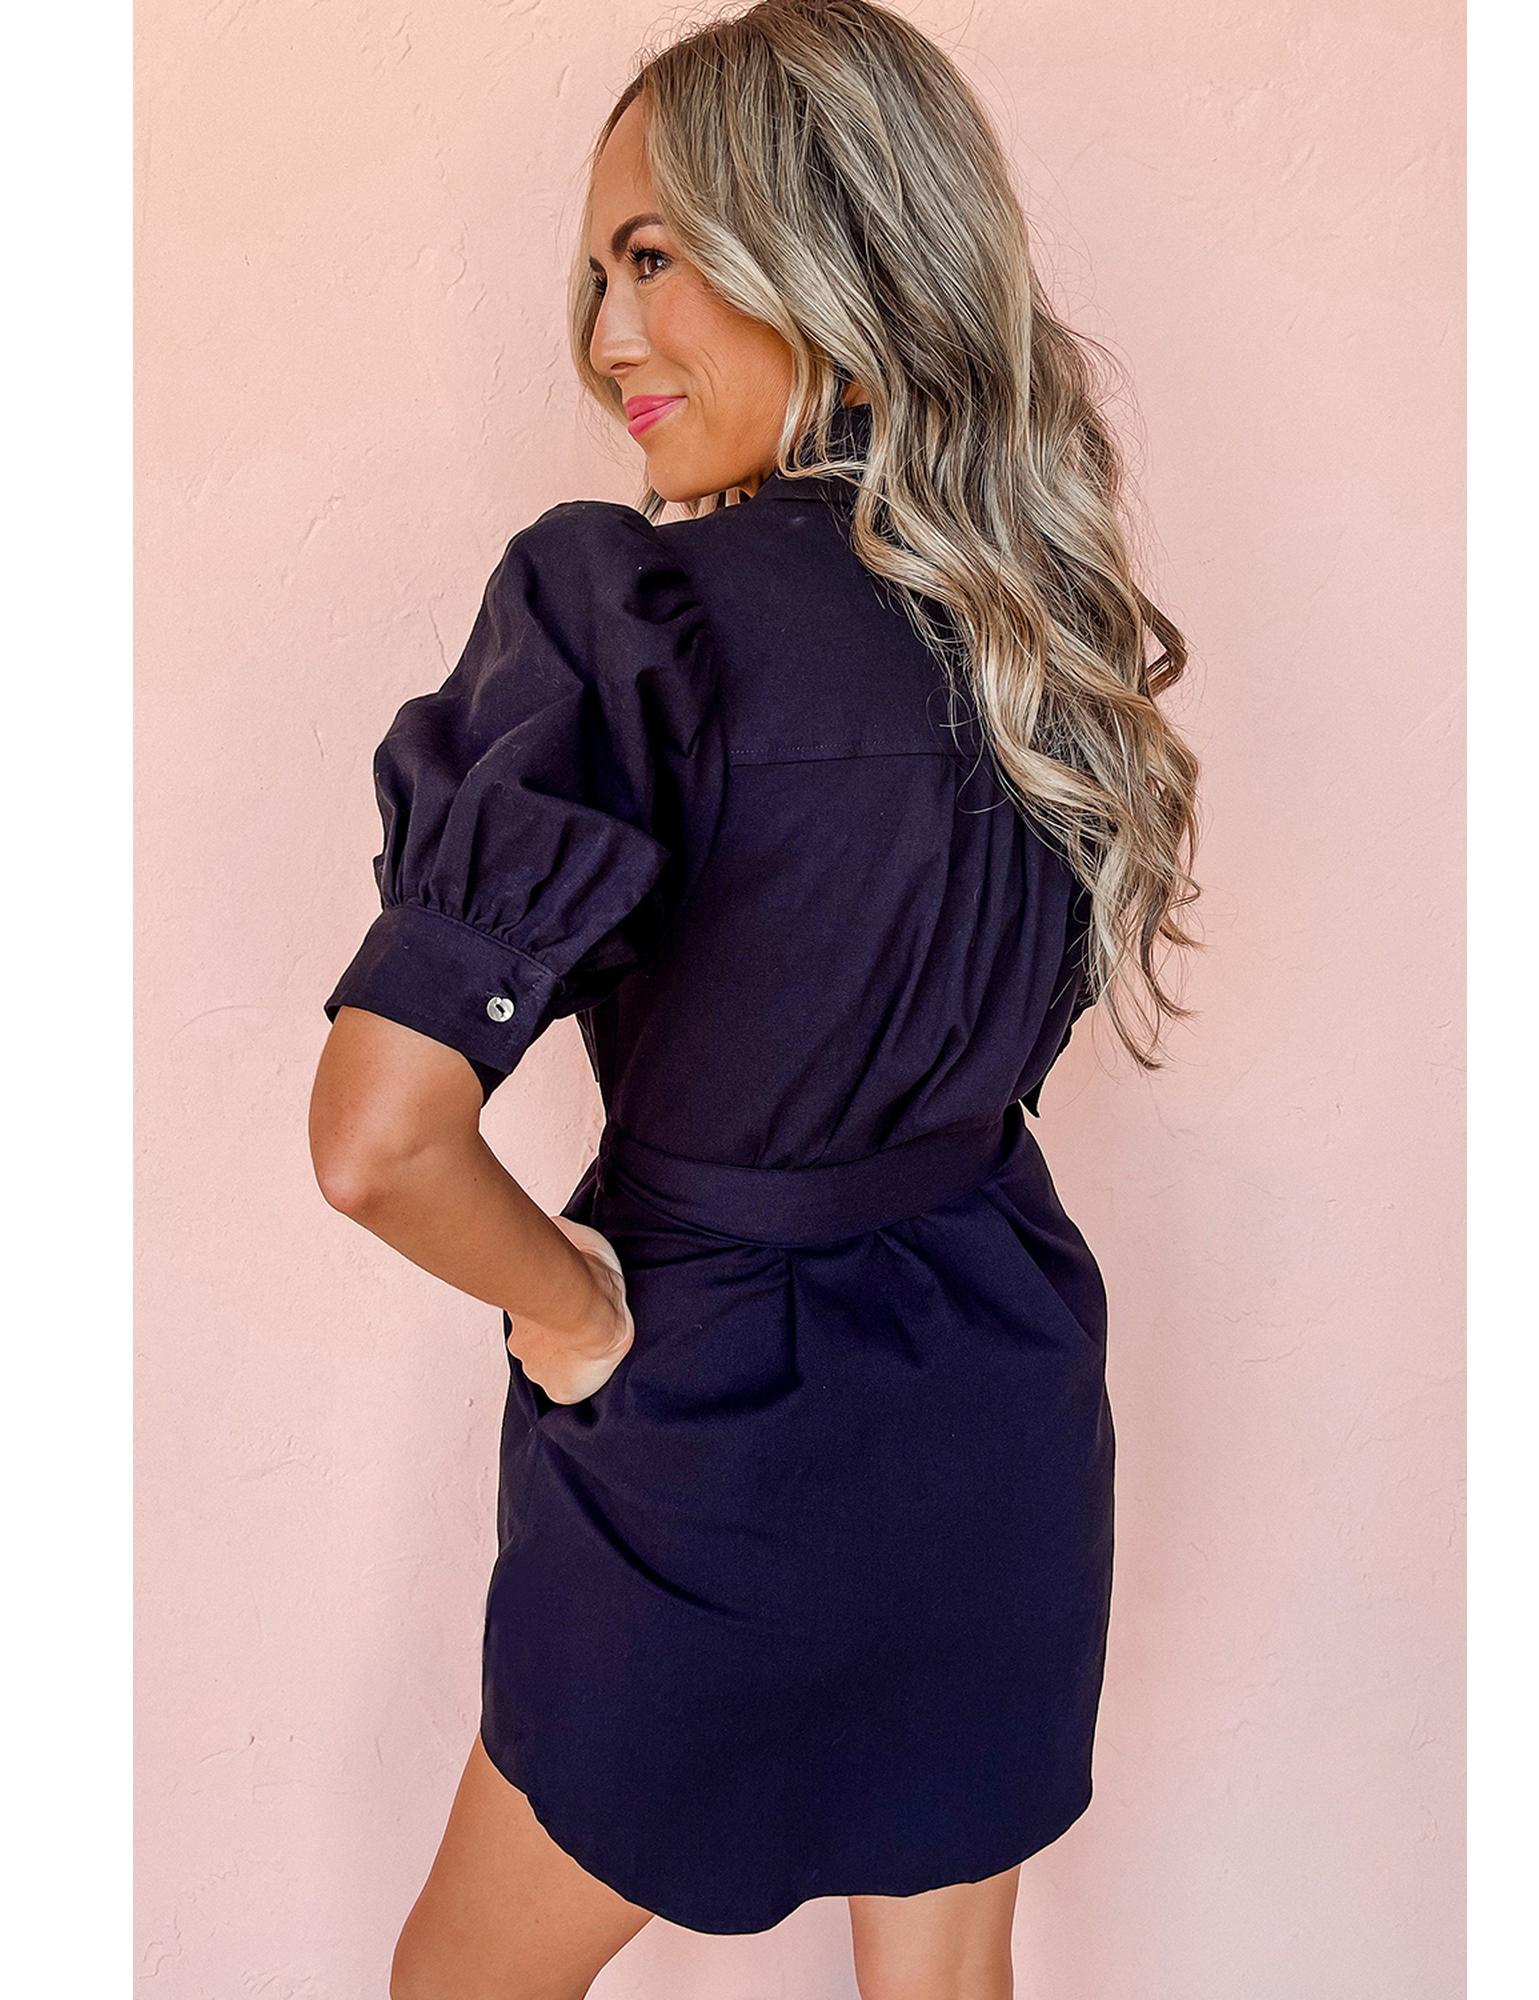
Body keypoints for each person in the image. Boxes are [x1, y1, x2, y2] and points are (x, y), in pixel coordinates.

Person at [308, 2, 1201, 1993]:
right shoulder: (1035, 632)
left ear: (841, 250)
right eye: (596, 276)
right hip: (995, 1383)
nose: (609, 339)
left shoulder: (628, 620)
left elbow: (378, 1142)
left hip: (703, 1416)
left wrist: (571, 1313)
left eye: (655, 257)